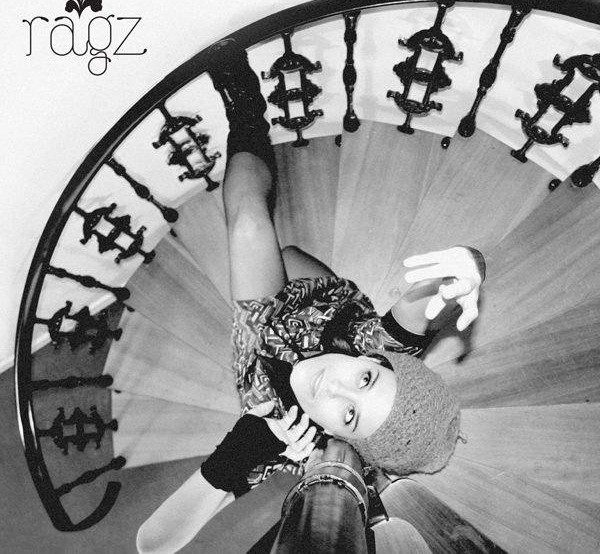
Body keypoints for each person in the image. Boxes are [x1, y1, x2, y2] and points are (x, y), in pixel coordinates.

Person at [136, 40, 485, 554]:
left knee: (249, 223)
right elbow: (431, 297)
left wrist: (243, 448)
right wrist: (470, 267)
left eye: (348, 416)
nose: (333, 386)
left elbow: (153, 544)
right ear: (379, 360)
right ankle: (287, 265)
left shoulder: (288, 438)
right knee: (289, 256)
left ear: (343, 438)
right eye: (365, 379)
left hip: (265, 333)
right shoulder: (383, 346)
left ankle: (247, 115)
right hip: (320, 303)